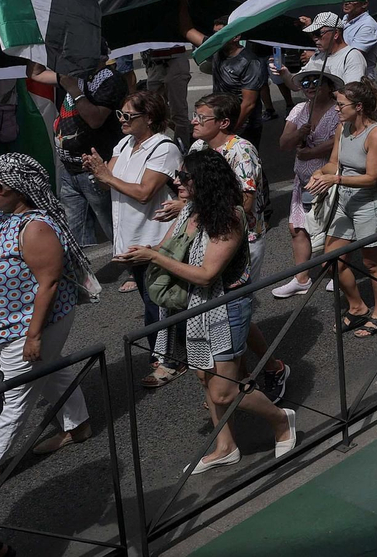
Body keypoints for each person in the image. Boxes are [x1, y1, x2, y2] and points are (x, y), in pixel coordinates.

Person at [117, 148, 298, 473]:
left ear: (205, 181)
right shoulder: (191, 211)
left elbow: (206, 274)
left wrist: (154, 259)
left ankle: (281, 420)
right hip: (197, 305)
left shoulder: (230, 218)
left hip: (225, 307)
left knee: (225, 391)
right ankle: (225, 446)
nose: (176, 181)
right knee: (205, 376)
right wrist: (144, 252)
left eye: (184, 176)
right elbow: (171, 248)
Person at [0, 155, 99, 473]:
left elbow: (49, 282)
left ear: (20, 190)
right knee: (49, 370)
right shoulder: (0, 216)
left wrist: (34, 335)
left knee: (15, 390)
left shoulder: (36, 228)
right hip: (6, 323)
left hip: (35, 323)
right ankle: (78, 425)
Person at [184, 93, 288, 401]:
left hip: (243, 242)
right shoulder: (198, 148)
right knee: (227, 309)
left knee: (231, 308)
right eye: (195, 115)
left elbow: (246, 201)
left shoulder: (241, 151)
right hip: (209, 239)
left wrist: (204, 207)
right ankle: (246, 376)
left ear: (223, 123)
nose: (194, 121)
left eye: (201, 118)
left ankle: (252, 377)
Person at [81, 90, 183, 387]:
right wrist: (97, 171)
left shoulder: (163, 148)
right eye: (120, 115)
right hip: (131, 237)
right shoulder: (124, 143)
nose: (122, 120)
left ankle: (166, 361)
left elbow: (143, 192)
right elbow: (108, 183)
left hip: (155, 238)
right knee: (152, 298)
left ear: (149, 118)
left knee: (157, 301)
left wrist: (106, 176)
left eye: (129, 116)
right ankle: (184, 347)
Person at [304, 81, 377, 338]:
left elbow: (372, 178)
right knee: (333, 260)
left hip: (369, 205)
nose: (336, 109)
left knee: (372, 263)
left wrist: (335, 180)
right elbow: (334, 164)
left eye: (340, 104)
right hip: (343, 202)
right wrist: (320, 173)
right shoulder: (342, 128)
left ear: (359, 107)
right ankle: (357, 306)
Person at [271, 70, 341, 299]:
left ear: (329, 86)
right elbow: (283, 143)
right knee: (297, 228)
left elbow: (340, 140)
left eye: (316, 82)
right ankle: (302, 278)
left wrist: (312, 152)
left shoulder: (338, 109)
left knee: (332, 227)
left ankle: (337, 274)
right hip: (302, 181)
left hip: (327, 177)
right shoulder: (299, 110)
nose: (309, 86)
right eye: (305, 83)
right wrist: (299, 134)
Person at [53, 65, 127, 248]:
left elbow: (95, 119)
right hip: (69, 170)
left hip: (95, 170)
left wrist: (75, 92)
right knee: (74, 236)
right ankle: (83, 276)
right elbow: (36, 73)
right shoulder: (73, 74)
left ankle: (139, 272)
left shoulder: (109, 78)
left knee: (115, 228)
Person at [278, 13, 367, 90]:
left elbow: (352, 94)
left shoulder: (352, 57)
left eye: (318, 33)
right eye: (312, 34)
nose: (314, 38)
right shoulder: (317, 56)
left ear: (335, 33)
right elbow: (296, 86)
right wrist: (284, 73)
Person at [211, 37, 268, 147]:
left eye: (222, 33)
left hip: (244, 126)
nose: (217, 36)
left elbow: (248, 104)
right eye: (215, 33)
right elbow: (189, 32)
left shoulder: (249, 61)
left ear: (236, 37)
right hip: (221, 121)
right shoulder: (217, 51)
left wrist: (229, 132)